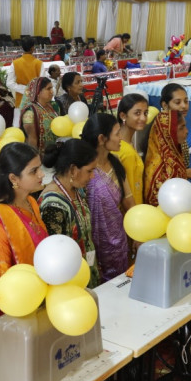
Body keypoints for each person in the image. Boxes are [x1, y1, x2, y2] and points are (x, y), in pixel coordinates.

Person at [0, 142, 47, 317]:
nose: (42, 174)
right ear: (13, 179)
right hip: (15, 303)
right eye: (33, 171)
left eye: (39, 168)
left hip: (41, 291)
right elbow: (4, 275)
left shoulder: (31, 202)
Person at [40, 139, 99, 288]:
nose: (92, 176)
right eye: (89, 171)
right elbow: (56, 256)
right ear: (73, 170)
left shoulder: (76, 190)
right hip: (69, 282)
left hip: (85, 272)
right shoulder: (53, 205)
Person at [82, 114, 133, 282]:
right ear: (102, 138)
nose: (121, 138)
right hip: (93, 246)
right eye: (117, 133)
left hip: (118, 242)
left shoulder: (116, 162)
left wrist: (138, 234)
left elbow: (128, 200)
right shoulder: (84, 170)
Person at [143, 84, 191, 205]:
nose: (184, 106)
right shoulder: (164, 125)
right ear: (165, 105)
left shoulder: (177, 124)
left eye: (186, 101)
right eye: (177, 102)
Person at [116, 94, 148, 204]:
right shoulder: (125, 151)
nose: (143, 118)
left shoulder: (124, 142)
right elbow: (128, 195)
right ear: (123, 116)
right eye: (137, 113)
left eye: (145, 113)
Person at [21, 76, 58, 153]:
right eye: (48, 89)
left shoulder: (54, 106)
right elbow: (32, 140)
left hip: (57, 152)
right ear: (38, 92)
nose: (52, 91)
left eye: (52, 88)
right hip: (42, 157)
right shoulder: (30, 112)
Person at [12, 38, 42, 107]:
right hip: (35, 99)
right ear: (32, 48)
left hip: (21, 100)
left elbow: (9, 83)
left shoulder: (15, 63)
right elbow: (42, 83)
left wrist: (24, 89)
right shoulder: (39, 63)